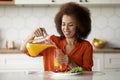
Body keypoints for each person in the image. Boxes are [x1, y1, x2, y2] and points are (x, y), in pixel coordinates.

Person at [20, 2, 93, 71]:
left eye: (70, 25)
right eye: (63, 24)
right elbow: (24, 50)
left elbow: (87, 74)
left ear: (79, 26)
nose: (66, 28)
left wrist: (70, 63)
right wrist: (33, 35)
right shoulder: (52, 41)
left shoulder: (86, 46)